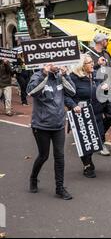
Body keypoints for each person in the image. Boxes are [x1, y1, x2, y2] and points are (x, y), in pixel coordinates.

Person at [27, 64, 76, 199]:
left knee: (59, 156)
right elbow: (31, 92)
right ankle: (33, 178)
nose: (58, 65)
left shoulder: (60, 76)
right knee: (43, 155)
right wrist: (44, 73)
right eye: (55, 63)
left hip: (59, 124)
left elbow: (72, 92)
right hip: (41, 125)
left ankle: (59, 188)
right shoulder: (37, 76)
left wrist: (65, 75)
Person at [65, 54, 107, 178]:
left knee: (99, 139)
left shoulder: (94, 76)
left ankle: (88, 159)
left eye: (92, 62)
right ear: (82, 66)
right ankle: (87, 165)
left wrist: (104, 89)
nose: (92, 64)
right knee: (86, 142)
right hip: (81, 114)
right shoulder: (73, 78)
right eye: (89, 63)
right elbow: (66, 96)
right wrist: (73, 105)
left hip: (97, 112)